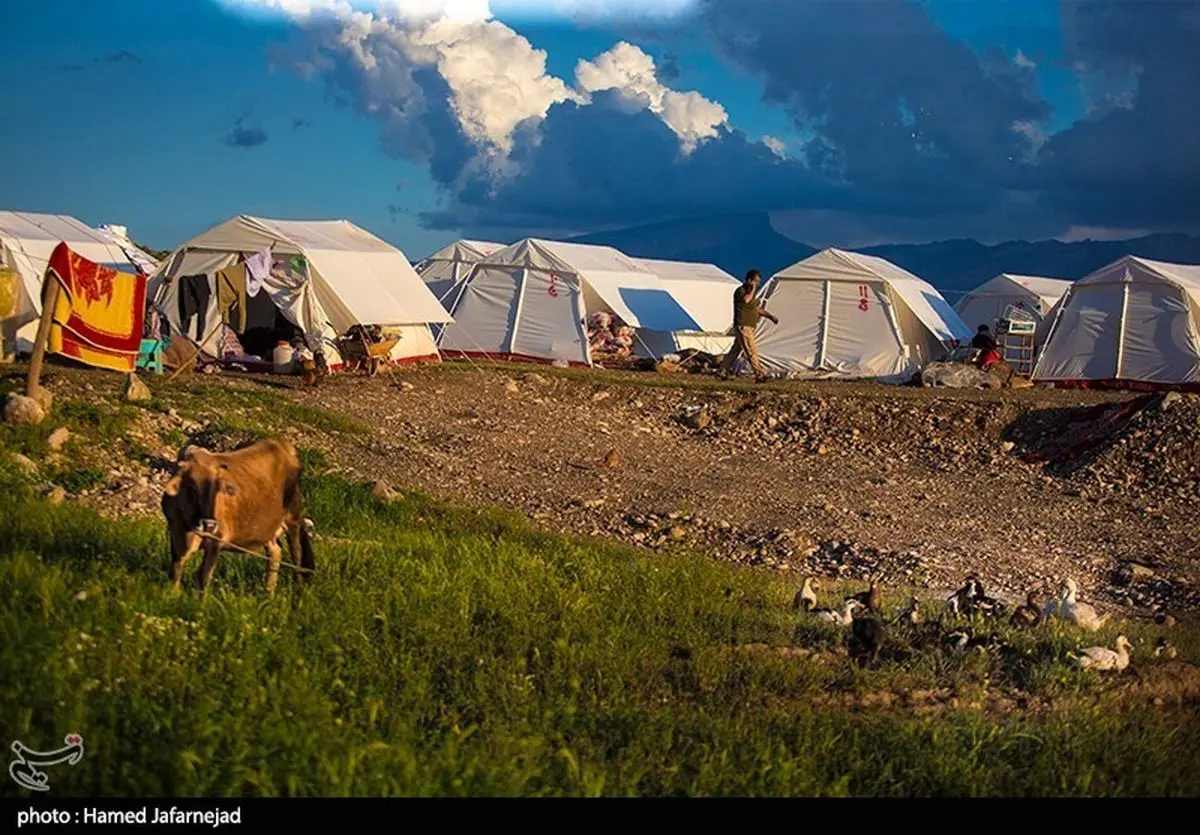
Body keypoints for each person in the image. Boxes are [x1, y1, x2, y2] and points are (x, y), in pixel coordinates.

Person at [719, 269, 779, 382]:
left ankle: (722, 370)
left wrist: (770, 316)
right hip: (743, 325)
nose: (757, 284)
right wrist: (752, 289)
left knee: (735, 350)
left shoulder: (752, 295)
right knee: (751, 350)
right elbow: (746, 300)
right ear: (749, 280)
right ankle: (760, 374)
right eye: (755, 281)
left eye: (758, 282)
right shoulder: (741, 291)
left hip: (750, 326)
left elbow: (756, 308)